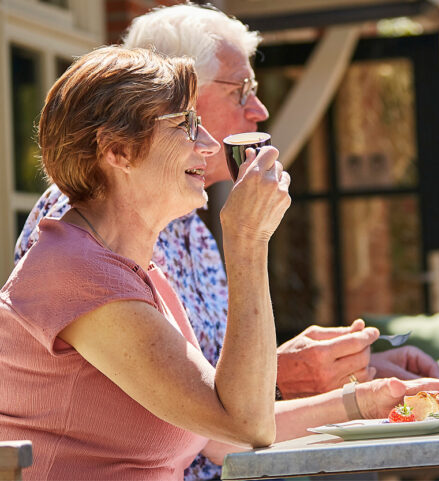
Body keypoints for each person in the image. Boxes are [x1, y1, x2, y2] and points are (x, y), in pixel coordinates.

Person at [0, 45, 291, 480]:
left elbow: (224, 436)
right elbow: (246, 423)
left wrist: (370, 401)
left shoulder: (139, 274)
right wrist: (248, 242)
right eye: (187, 126)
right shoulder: (76, 273)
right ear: (117, 151)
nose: (210, 145)